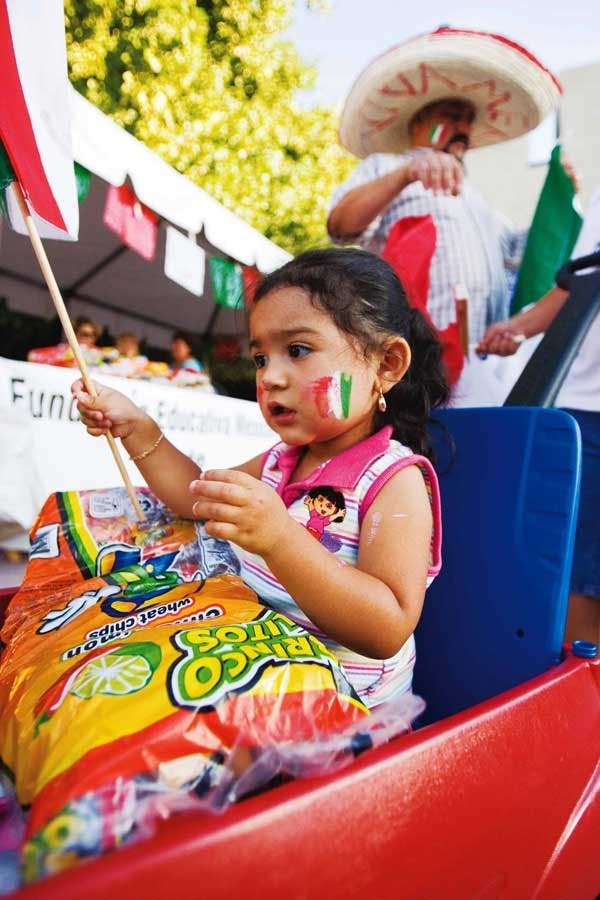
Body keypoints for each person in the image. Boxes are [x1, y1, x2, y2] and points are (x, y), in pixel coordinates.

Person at [72, 247, 449, 708]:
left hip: (348, 714)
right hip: (258, 672)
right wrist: (139, 429)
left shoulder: (393, 479)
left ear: (386, 364)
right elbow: (195, 499)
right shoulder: (281, 460)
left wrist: (278, 537)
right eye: (260, 358)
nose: (270, 376)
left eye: (297, 350)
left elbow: (387, 627)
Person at [328, 27, 564, 392]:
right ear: (418, 121)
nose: (464, 128)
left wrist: (561, 199)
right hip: (415, 354)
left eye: (468, 120)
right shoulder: (386, 166)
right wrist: (407, 174)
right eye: (452, 115)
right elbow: (340, 226)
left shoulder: (475, 198)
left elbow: (522, 254)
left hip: (479, 365)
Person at [477, 188, 600, 646]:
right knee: (581, 575)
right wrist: (518, 327)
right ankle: (582, 699)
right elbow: (579, 282)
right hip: (586, 408)